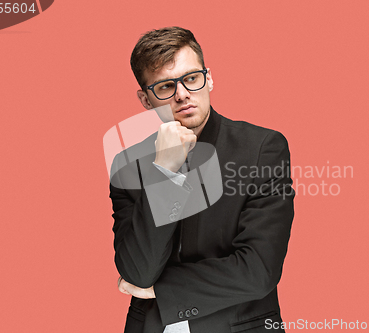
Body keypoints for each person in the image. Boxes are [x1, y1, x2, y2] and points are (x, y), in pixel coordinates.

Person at [109, 26, 295, 333]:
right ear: (145, 99)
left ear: (208, 79)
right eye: (165, 87)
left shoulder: (262, 149)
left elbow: (258, 271)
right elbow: (138, 272)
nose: (182, 94)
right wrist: (164, 172)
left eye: (191, 79)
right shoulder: (127, 165)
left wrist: (161, 290)